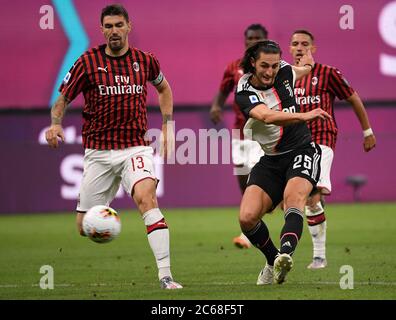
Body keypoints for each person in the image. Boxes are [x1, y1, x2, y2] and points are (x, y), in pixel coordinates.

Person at [45, 4, 182, 290]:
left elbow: (164, 88)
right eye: (108, 26)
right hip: (99, 152)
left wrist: (168, 125)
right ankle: (104, 219)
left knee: (147, 198)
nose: (114, 31)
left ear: (129, 26)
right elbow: (61, 101)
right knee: (84, 228)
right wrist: (56, 123)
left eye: (119, 25)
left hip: (135, 147)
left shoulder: (145, 61)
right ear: (102, 30)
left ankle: (166, 276)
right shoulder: (87, 62)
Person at [235, 40, 332, 284]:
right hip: (271, 160)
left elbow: (305, 68)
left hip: (302, 151)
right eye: (264, 66)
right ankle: (272, 260)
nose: (270, 72)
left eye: (275, 66)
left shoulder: (285, 71)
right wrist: (303, 115)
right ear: (253, 64)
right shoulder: (244, 89)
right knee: (247, 217)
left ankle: (285, 256)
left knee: (294, 198)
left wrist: (306, 56)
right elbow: (266, 116)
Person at [289, 29, 376, 269]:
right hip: (294, 142)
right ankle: (311, 249)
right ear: (289, 47)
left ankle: (319, 256)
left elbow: (353, 98)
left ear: (313, 48)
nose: (299, 48)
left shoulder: (328, 73)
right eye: (295, 43)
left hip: (321, 138)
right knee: (299, 199)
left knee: (311, 195)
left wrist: (367, 131)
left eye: (304, 44)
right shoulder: (285, 75)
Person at [210, 24, 268, 249]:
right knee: (244, 183)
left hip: (263, 135)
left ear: (265, 40)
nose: (252, 41)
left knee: (256, 182)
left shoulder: (271, 68)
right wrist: (216, 106)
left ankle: (250, 231)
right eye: (249, 38)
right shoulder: (234, 67)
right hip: (240, 133)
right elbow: (224, 89)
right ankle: (253, 222)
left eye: (257, 38)